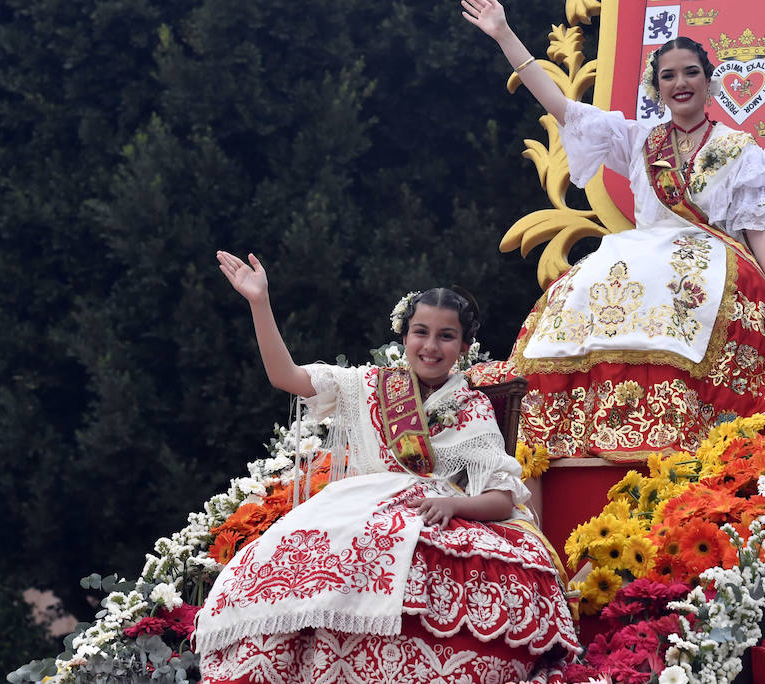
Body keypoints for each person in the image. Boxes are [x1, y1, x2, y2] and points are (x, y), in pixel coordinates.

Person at [461, 0, 765, 461]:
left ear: (709, 82)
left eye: (691, 72)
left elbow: (759, 229)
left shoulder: (739, 148)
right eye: (668, 75)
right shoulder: (637, 140)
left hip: (713, 261)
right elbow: (560, 106)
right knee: (578, 294)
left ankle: (683, 427)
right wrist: (505, 35)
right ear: (657, 87)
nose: (680, 82)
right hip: (639, 252)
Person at [193, 252, 580, 684]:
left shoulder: (471, 407)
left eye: (446, 336)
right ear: (405, 334)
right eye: (421, 332)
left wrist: (455, 507)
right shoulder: (367, 385)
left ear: (464, 347)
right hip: (354, 509)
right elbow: (287, 376)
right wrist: (259, 303)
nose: (431, 347)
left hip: (432, 514)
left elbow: (503, 496)